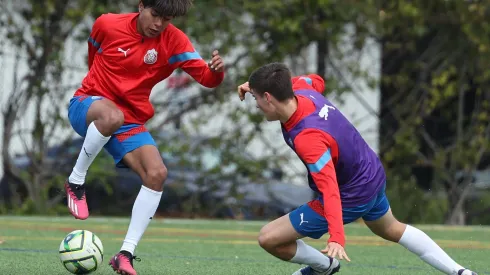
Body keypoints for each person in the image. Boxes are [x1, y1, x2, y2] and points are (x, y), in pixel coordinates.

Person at [237, 62, 477, 275]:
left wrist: (337, 238)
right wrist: (255, 86)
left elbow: (330, 187)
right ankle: (461, 272)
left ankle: (325, 267)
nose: (256, 105)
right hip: (371, 174)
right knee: (392, 228)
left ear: (269, 97)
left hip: (351, 195)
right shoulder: (301, 88)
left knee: (269, 239)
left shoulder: (308, 138)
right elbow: (317, 80)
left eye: (257, 99)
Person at [65, 0, 225, 274]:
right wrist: (98, 87)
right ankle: (76, 181)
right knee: (111, 116)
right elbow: (93, 55)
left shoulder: (174, 41)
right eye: (155, 15)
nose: (159, 24)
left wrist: (217, 72)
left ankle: (125, 254)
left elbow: (206, 79)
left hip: (129, 120)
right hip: (87, 105)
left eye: (167, 19)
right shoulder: (106, 24)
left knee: (157, 173)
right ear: (141, 6)